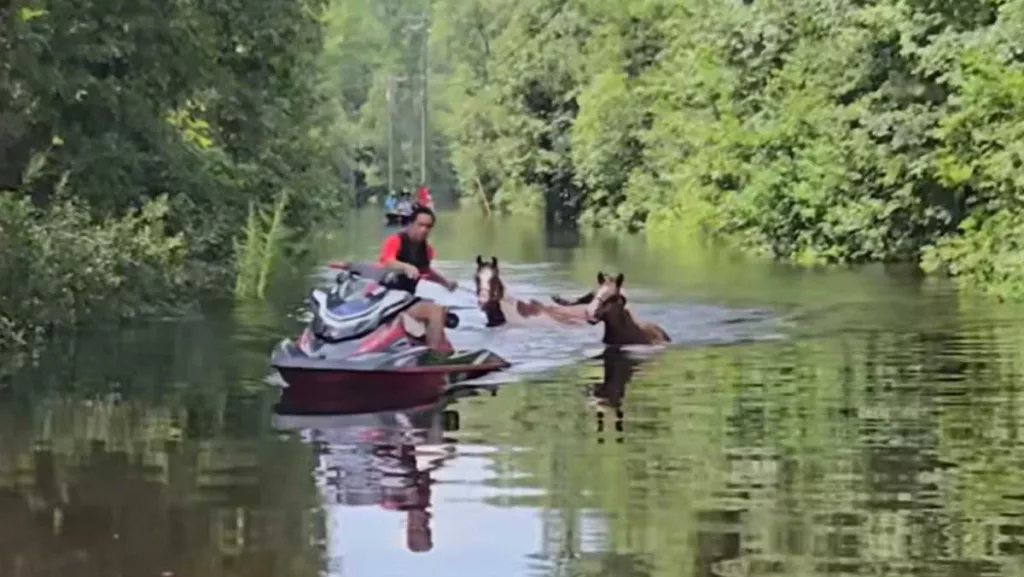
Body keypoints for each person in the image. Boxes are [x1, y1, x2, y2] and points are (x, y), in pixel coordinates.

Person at [378, 206, 458, 350]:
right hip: (387, 299)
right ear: (410, 224)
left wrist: (446, 283)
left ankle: (441, 348)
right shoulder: (395, 240)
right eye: (420, 225)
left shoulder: (427, 250)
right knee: (435, 310)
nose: (424, 230)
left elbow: (426, 271)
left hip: (405, 300)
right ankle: (434, 354)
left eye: (428, 227)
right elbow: (386, 261)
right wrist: (405, 267)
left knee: (441, 310)